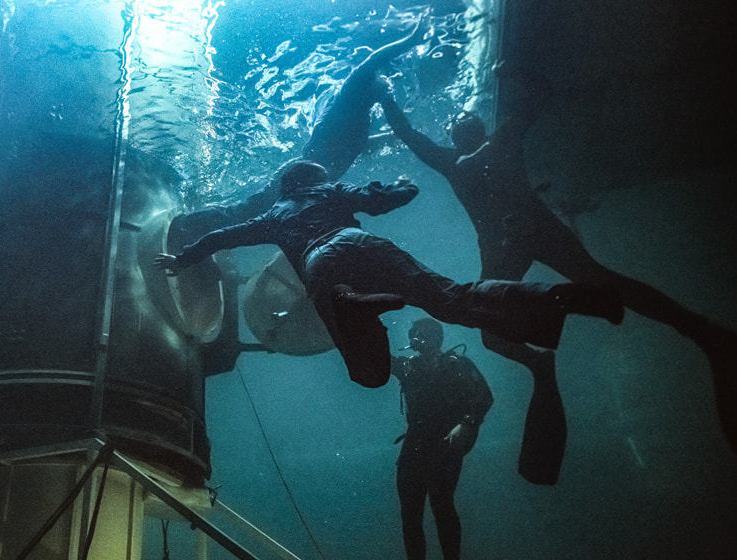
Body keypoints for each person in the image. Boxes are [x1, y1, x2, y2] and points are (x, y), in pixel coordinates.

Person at [380, 65, 737, 472]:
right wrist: (386, 97)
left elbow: (538, 93)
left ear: (478, 125)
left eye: (466, 118)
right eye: (456, 121)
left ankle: (695, 327)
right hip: (508, 242)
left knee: (599, 280)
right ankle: (541, 360)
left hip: (531, 228)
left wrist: (515, 75)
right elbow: (409, 134)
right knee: (492, 336)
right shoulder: (456, 158)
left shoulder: (495, 140)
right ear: (455, 133)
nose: (461, 121)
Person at [155, 160, 624, 389]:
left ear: (284, 186)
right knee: (454, 299)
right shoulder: (331, 190)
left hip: (321, 264)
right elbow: (383, 197)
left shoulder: (274, 216)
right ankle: (562, 297)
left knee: (371, 375)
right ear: (312, 178)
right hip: (366, 246)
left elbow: (221, 237)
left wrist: (181, 260)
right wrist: (404, 185)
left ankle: (351, 305)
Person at [171, 23, 426, 242]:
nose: (386, 85)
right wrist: (411, 39)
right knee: (247, 212)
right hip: (298, 178)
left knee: (257, 218)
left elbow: (356, 148)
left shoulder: (358, 118)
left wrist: (394, 138)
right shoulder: (347, 97)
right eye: (381, 80)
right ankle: (186, 225)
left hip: (313, 186)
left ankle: (197, 231)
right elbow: (372, 62)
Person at [391, 318, 492, 560]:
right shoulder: (407, 366)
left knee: (441, 506)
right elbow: (372, 361)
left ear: (437, 337)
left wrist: (466, 423)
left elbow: (484, 396)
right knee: (410, 516)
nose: (419, 339)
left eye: (425, 334)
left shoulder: (456, 364)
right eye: (415, 335)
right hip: (414, 445)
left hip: (444, 446)